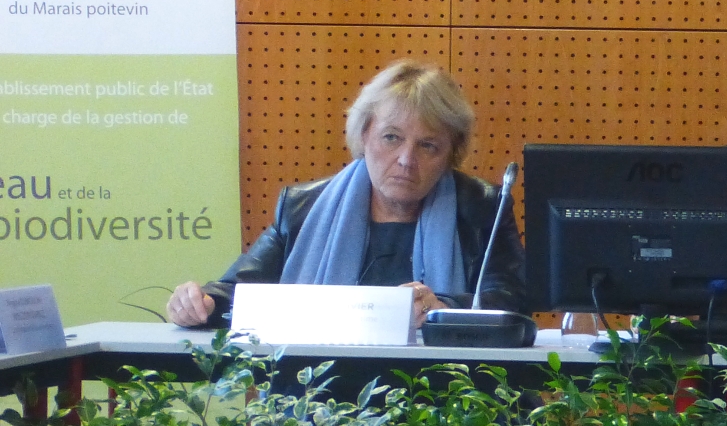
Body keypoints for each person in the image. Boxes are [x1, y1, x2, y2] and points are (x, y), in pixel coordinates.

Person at [166, 61, 528, 330]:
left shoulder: (483, 208)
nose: (406, 159)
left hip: (442, 400)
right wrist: (202, 302)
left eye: (428, 145)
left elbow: (511, 304)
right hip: (324, 394)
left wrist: (444, 308)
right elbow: (241, 291)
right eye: (391, 138)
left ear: (451, 153)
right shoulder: (303, 207)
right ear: (364, 135)